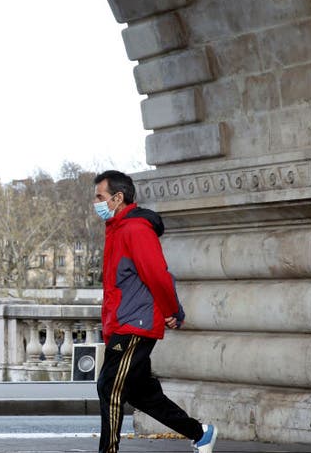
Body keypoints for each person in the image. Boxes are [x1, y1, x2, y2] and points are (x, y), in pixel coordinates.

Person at [92, 170, 217, 453]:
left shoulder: (135, 230)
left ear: (118, 198)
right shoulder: (117, 229)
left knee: (109, 387)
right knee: (140, 393)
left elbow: (158, 275)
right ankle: (201, 433)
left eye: (100, 196)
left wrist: (174, 311)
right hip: (123, 323)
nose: (95, 202)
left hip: (133, 324)